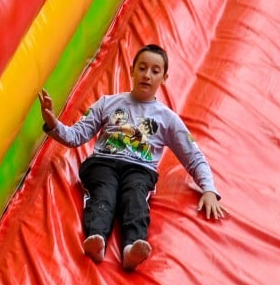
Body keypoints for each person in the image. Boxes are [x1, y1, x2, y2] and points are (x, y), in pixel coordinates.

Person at [38, 44, 226, 272]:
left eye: (155, 71)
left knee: (135, 197)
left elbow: (193, 156)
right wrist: (52, 124)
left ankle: (130, 249)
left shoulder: (167, 119)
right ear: (132, 70)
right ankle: (97, 238)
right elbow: (77, 136)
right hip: (103, 163)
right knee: (104, 194)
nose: (147, 75)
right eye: (143, 68)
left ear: (164, 78)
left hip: (139, 169)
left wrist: (208, 189)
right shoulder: (108, 103)